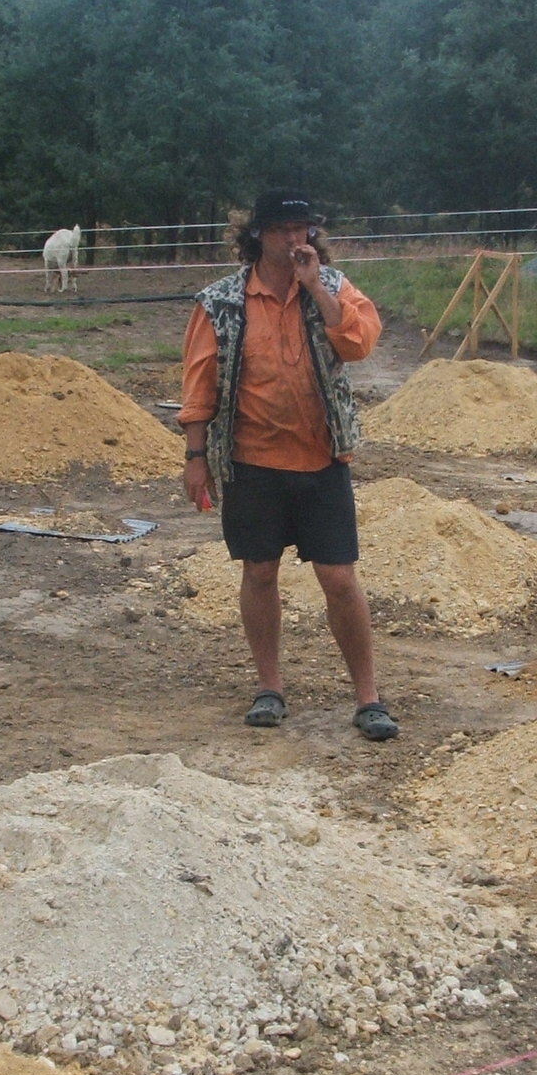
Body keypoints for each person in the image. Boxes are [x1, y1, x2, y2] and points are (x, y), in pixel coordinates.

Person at [179, 190, 399, 741]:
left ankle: (368, 698)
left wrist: (317, 289)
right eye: (282, 229)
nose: (295, 239)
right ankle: (269, 688)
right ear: (258, 234)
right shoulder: (221, 301)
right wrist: (195, 457)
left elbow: (359, 344)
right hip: (251, 463)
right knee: (259, 572)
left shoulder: (334, 287)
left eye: (303, 229)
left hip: (322, 459)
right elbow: (199, 384)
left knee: (340, 578)